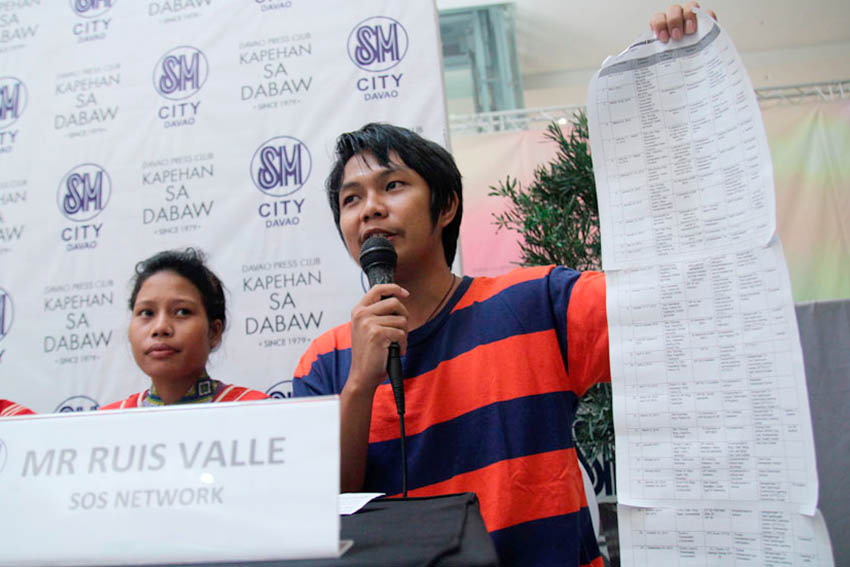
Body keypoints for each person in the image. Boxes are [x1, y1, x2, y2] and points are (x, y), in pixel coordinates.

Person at [293, 5, 712, 565]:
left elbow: (680, 295)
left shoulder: (538, 304)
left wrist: (682, 81)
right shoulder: (324, 362)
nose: (370, 208)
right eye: (351, 199)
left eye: (392, 185)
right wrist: (360, 386)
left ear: (446, 206)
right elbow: (316, 509)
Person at [101, 249, 267, 410]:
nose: (160, 328)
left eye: (182, 312)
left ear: (214, 332)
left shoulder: (256, 412)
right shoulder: (106, 424)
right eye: (147, 313)